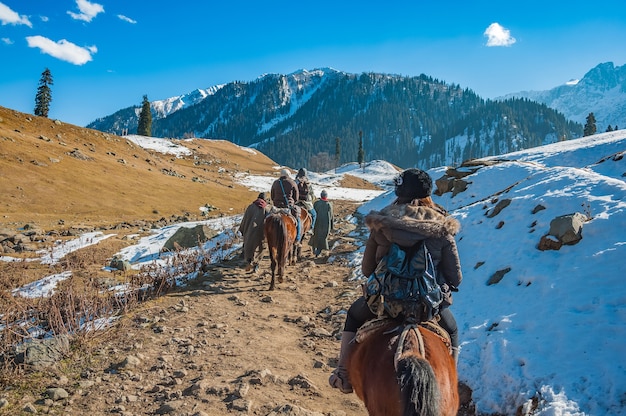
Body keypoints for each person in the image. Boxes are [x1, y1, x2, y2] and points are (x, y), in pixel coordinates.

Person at [328, 168, 463, 394]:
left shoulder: (382, 223)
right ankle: (451, 386)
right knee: (452, 330)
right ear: (427, 193)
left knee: (353, 315)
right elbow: (455, 277)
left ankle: (343, 374)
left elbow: (366, 269)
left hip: (386, 304)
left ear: (399, 192)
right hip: (426, 308)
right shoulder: (442, 228)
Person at [239, 192, 271, 272]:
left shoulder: (250, 207)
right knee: (261, 248)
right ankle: (256, 265)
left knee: (249, 248)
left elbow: (245, 219)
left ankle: (249, 261)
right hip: (260, 232)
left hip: (249, 231)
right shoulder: (266, 208)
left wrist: (243, 229)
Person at [270, 168, 302, 241]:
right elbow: (296, 198)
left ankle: (263, 237)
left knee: (267, 219)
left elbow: (272, 196)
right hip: (288, 207)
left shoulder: (275, 183)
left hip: (277, 207)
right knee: (298, 219)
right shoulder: (292, 183)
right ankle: (298, 238)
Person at [309, 189, 334, 257]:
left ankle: (314, 249)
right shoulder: (329, 205)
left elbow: (313, 213)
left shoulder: (316, 203)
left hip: (317, 223)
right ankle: (318, 252)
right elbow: (331, 216)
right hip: (326, 224)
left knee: (316, 236)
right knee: (323, 238)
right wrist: (332, 226)